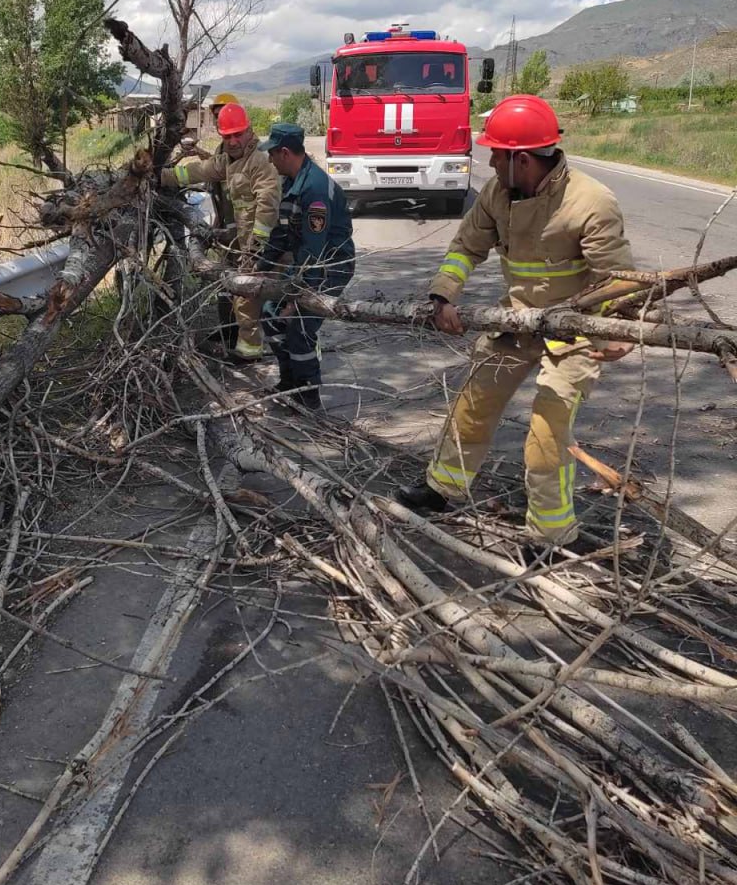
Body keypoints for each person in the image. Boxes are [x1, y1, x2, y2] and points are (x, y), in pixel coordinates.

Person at [396, 94, 634, 551]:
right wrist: (443, 295)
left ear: (521, 159)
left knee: (546, 436)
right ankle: (443, 488)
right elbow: (466, 247)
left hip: (575, 333)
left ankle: (550, 537)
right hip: (516, 320)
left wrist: (620, 328)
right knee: (472, 405)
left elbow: (619, 278)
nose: (489, 161)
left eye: (496, 154)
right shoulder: (496, 193)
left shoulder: (591, 202)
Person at [161, 102, 280, 362]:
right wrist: (162, 176)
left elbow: (268, 205)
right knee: (243, 294)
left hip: (266, 244)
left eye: (238, 134)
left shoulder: (260, 160)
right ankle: (249, 346)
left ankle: (260, 352)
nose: (234, 141)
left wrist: (257, 246)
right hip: (246, 242)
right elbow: (199, 170)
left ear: (249, 130)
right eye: (228, 137)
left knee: (256, 297)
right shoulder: (228, 160)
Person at [254, 122, 355, 411]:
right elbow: (281, 234)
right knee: (270, 315)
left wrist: (296, 300)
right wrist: (261, 267)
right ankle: (290, 382)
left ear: (285, 153)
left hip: (329, 266)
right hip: (305, 264)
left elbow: (314, 252)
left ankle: (308, 396)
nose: (270, 160)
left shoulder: (314, 191)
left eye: (273, 154)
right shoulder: (291, 183)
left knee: (299, 326)